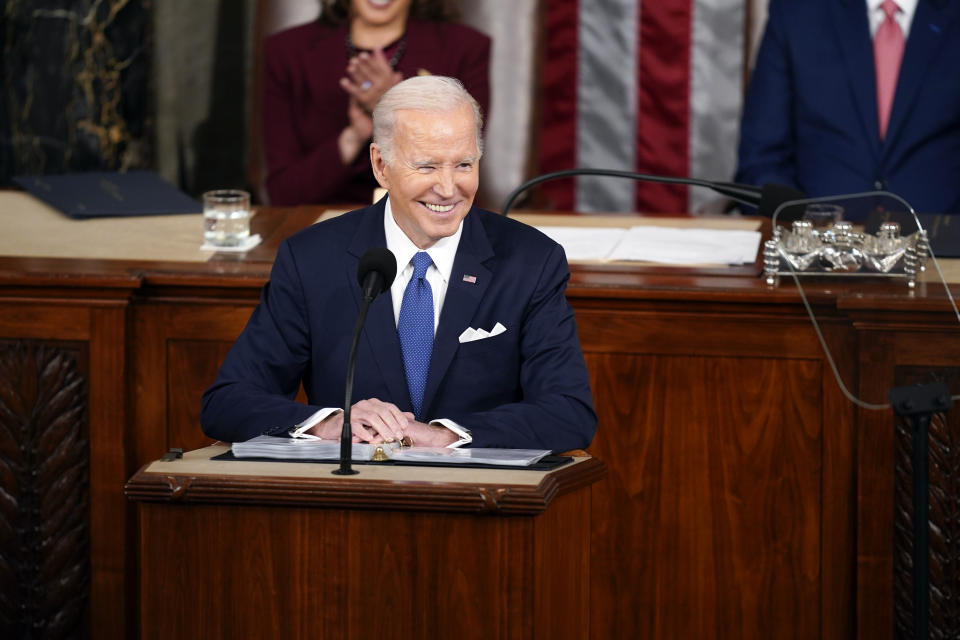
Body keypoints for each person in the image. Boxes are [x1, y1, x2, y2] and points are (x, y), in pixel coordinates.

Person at [202, 76, 596, 451]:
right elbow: (228, 402)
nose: (447, 188)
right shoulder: (311, 259)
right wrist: (328, 425)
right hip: (350, 501)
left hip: (481, 502)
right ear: (380, 165)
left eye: (463, 164)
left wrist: (445, 436)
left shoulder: (531, 261)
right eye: (426, 166)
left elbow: (569, 413)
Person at [735, 0, 960, 215]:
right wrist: (800, 225)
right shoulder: (797, 11)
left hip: (943, 243)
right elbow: (761, 159)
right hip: (816, 242)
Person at [262, 0, 491, 206]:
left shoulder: (465, 48)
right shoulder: (287, 51)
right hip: (325, 218)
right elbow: (284, 194)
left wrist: (392, 108)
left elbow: (459, 167)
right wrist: (354, 136)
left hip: (435, 216)